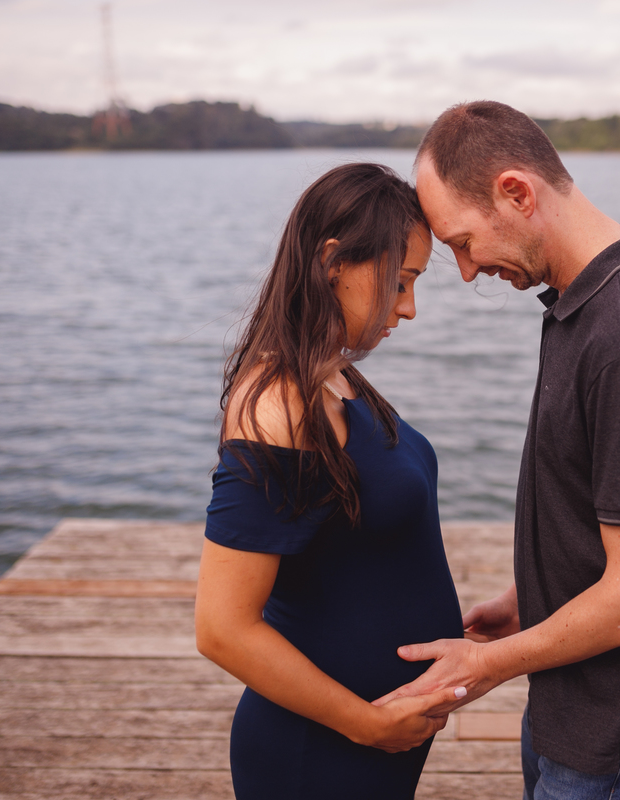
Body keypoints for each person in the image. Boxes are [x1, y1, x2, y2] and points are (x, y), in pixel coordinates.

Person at [377, 101, 620, 800]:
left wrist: (489, 663)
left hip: (618, 737)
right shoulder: (585, 304)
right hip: (573, 705)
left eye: (464, 242)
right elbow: (604, 520)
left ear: (516, 192)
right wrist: (527, 599)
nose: (467, 271)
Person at [194, 162, 467, 800]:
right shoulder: (277, 406)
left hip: (370, 746)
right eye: (399, 282)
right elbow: (222, 628)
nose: (408, 308)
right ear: (333, 261)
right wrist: (366, 724)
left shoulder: (334, 376)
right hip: (318, 752)